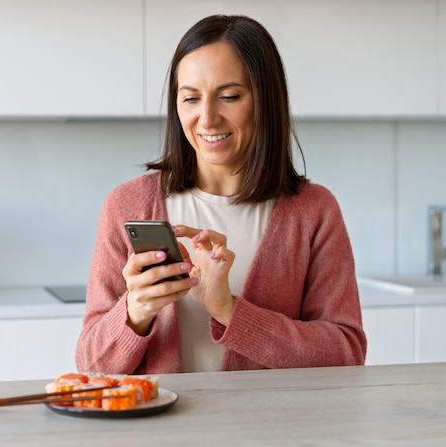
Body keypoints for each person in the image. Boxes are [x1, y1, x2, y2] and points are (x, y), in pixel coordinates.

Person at [75, 14, 367, 374]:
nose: (207, 118)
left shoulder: (314, 211)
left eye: (229, 96)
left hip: (274, 430)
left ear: (265, 100)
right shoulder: (127, 204)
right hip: (160, 431)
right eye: (191, 98)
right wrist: (136, 310)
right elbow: (92, 364)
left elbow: (347, 353)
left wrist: (228, 310)